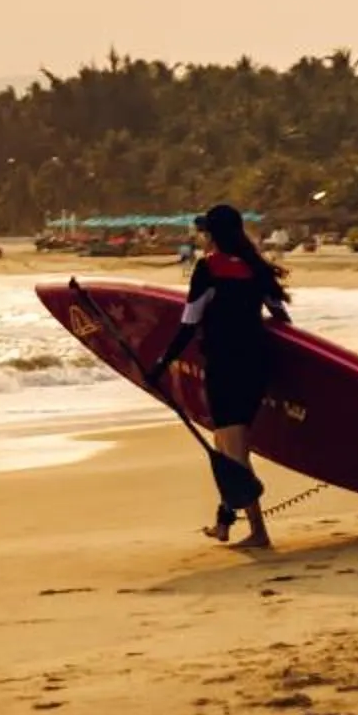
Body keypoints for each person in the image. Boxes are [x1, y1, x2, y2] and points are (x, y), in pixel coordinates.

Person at [142, 203, 293, 548]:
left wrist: (160, 366)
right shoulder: (257, 269)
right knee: (225, 444)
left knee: (233, 452)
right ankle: (225, 522)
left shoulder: (208, 269)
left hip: (225, 368)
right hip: (256, 365)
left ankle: (259, 532)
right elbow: (281, 319)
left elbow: (188, 325)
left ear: (212, 235)